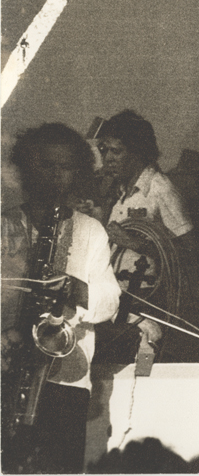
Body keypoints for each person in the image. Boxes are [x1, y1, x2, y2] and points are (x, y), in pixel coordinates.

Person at [1, 123, 121, 473]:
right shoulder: (4, 225)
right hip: (7, 371)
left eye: (65, 167)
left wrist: (74, 287)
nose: (56, 175)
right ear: (28, 167)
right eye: (46, 165)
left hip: (66, 378)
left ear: (78, 173)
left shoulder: (90, 230)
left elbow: (110, 302)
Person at [95, 109, 199, 360]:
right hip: (120, 297)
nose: (108, 158)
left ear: (138, 152)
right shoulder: (120, 191)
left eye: (116, 151)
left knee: (143, 362)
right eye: (104, 150)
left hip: (149, 302)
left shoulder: (160, 189)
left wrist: (135, 243)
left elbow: (191, 252)